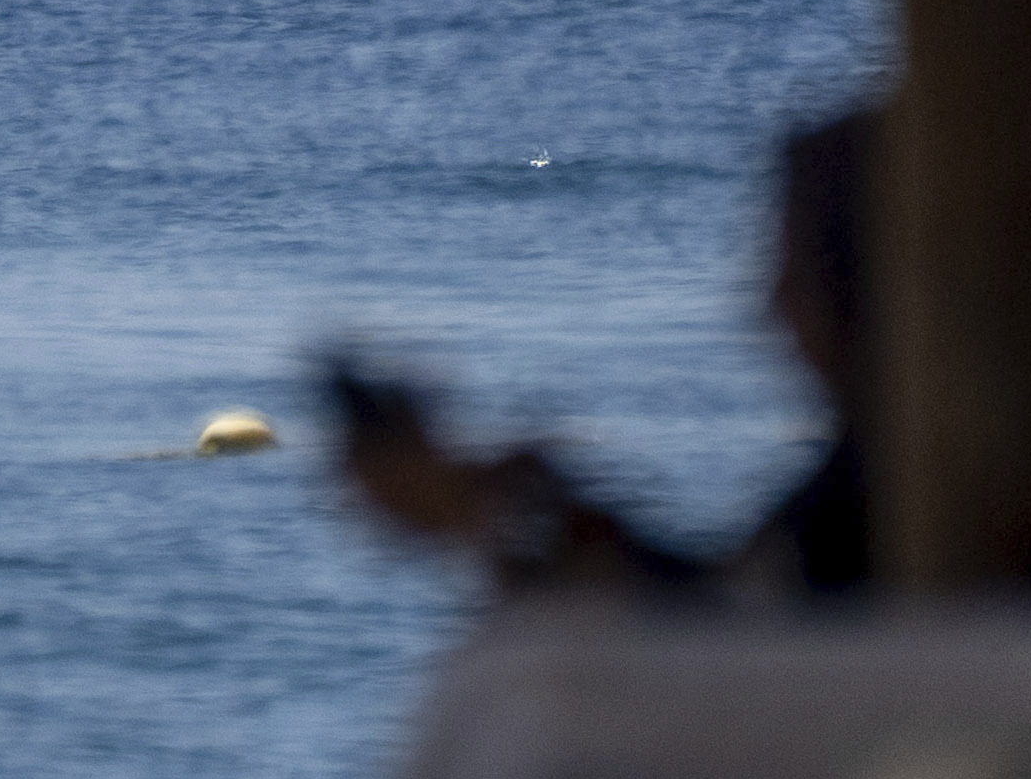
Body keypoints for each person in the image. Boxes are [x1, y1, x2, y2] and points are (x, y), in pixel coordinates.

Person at [332, 106, 882, 608]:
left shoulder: (876, 491)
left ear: (861, 285)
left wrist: (478, 520)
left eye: (794, 267)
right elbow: (728, 607)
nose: (769, 301)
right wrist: (554, 524)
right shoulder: (874, 470)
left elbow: (738, 645)